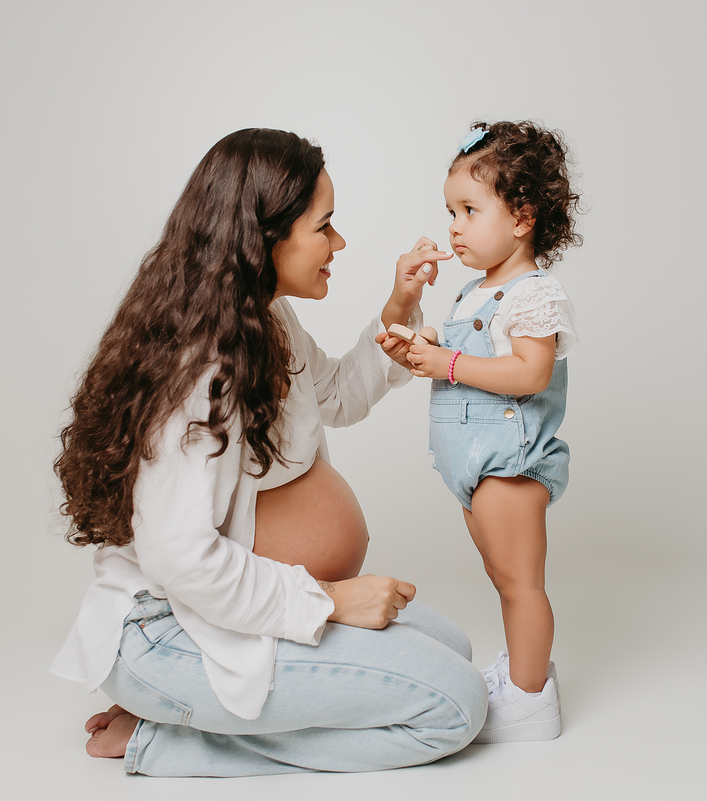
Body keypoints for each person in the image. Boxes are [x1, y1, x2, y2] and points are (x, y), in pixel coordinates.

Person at [50, 128, 488, 777]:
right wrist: (331, 601)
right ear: (264, 238)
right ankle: (160, 738)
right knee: (456, 706)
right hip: (168, 631)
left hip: (239, 609)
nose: (339, 243)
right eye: (324, 226)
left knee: (454, 648)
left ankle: (183, 711)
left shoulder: (265, 321)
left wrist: (400, 307)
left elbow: (334, 395)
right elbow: (180, 558)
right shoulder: (203, 371)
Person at [399, 121, 581, 743]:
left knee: (521, 585)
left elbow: (529, 372)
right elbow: (467, 350)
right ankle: (521, 676)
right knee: (504, 580)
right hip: (475, 467)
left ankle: (531, 702)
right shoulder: (477, 291)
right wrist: (422, 342)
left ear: (523, 217)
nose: (454, 227)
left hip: (509, 466)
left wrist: (446, 362)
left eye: (470, 211)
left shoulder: (532, 294)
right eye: (451, 211)